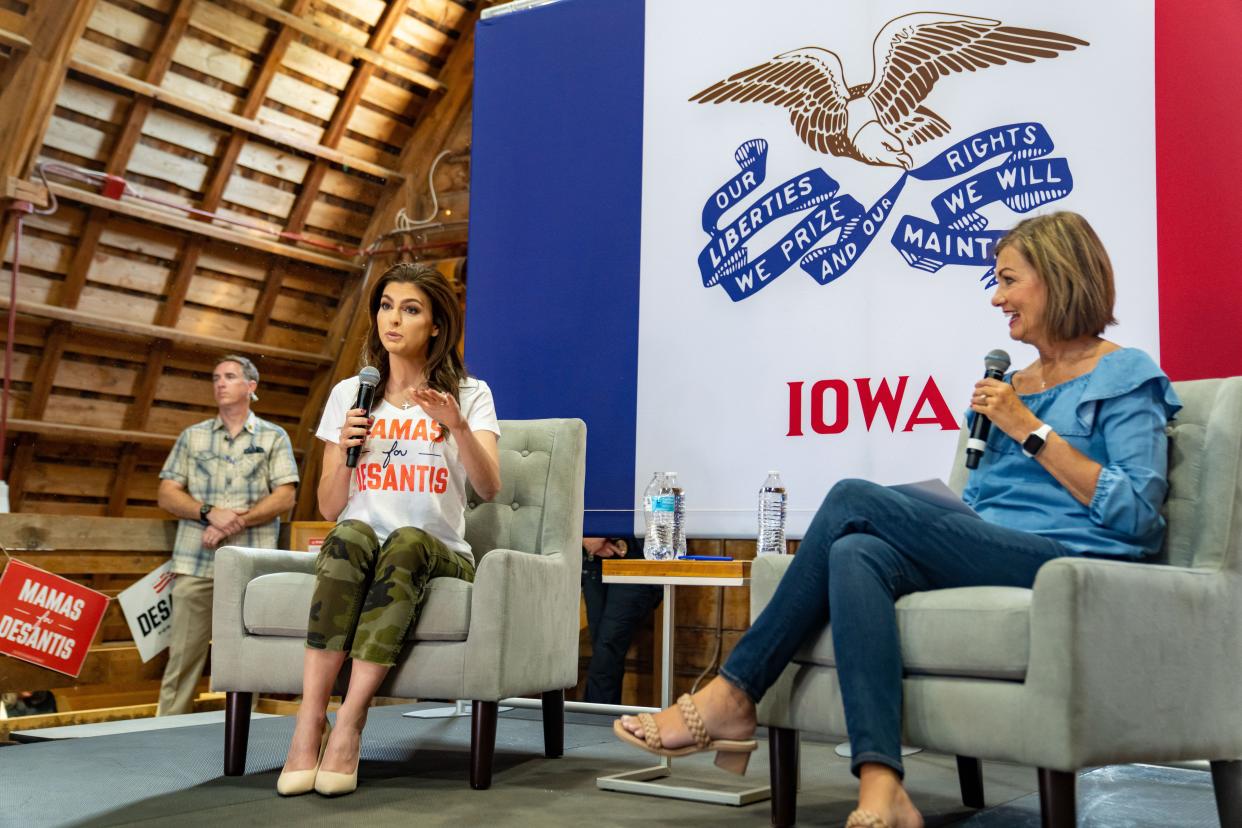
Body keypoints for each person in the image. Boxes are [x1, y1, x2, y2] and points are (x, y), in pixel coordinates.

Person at [613, 212, 1182, 828]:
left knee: (853, 497)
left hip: (1071, 564)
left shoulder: (1125, 375)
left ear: (1059, 277)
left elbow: (1137, 517)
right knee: (856, 553)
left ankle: (734, 692)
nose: (997, 298)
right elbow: (984, 503)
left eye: (1009, 281)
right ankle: (883, 786)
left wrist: (1032, 431)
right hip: (996, 547)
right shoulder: (1009, 386)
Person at [278, 262, 501, 797]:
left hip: (439, 550)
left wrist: (458, 428)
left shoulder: (469, 395)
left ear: (437, 326)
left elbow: (490, 489)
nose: (392, 319)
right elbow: (332, 507)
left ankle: (350, 722)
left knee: (404, 543)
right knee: (350, 534)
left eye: (410, 309)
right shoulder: (350, 396)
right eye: (385, 305)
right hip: (362, 542)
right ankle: (309, 724)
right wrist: (346, 453)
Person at [156, 355, 299, 716]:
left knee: (243, 653)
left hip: (251, 564)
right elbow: (167, 493)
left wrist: (235, 521)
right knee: (183, 655)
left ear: (251, 386)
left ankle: (239, 731)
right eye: (216, 376)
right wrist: (209, 513)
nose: (220, 383)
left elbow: (286, 495)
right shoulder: (193, 436)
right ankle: (164, 731)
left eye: (230, 376)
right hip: (196, 561)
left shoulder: (272, 436)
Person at [580, 536, 662, 704]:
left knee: (607, 647)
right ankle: (597, 722)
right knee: (603, 650)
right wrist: (584, 538)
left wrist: (599, 536)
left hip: (640, 556)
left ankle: (591, 721)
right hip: (594, 559)